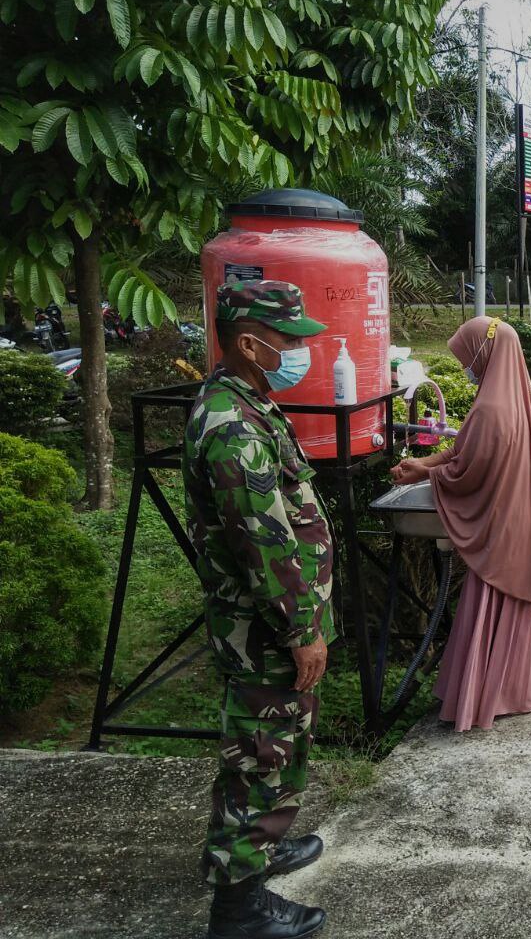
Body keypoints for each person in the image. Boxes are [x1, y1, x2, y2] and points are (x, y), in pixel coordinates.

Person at [184, 280, 332, 939]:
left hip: (276, 626)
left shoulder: (250, 403)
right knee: (258, 757)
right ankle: (238, 908)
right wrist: (303, 630)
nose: (300, 349)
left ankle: (266, 845)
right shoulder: (231, 425)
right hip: (266, 630)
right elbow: (265, 545)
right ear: (250, 343)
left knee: (281, 742)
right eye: (289, 339)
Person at [390, 316, 531, 730]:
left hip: (500, 527)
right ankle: (516, 686)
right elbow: (465, 447)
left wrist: (430, 474)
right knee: (509, 609)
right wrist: (425, 464)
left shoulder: (491, 408)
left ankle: (490, 695)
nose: (465, 364)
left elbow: (467, 470)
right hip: (519, 521)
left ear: (485, 353)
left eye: (467, 355)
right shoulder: (516, 395)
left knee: (490, 602)